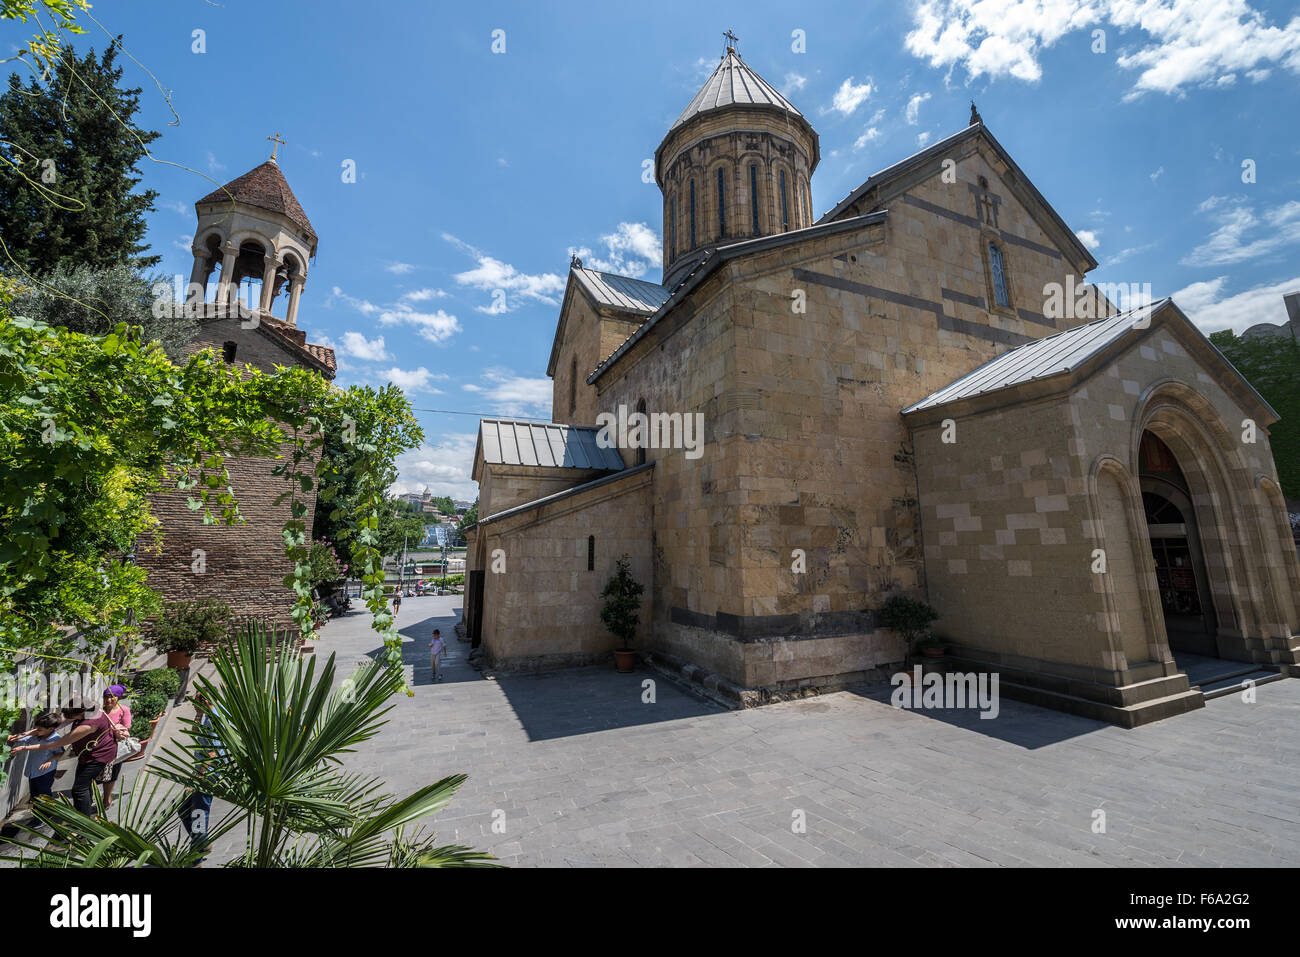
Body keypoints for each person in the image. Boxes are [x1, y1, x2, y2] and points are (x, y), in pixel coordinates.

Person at [11, 704, 117, 816]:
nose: (67, 718)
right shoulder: (86, 708)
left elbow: (56, 744)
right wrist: (24, 734)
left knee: (79, 790)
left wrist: (24, 748)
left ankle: (83, 823)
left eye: (71, 716)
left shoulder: (88, 725)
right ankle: (85, 807)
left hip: (98, 756)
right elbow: (55, 724)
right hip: (87, 755)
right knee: (83, 786)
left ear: (81, 713)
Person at [178, 689, 221, 859]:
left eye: (196, 700)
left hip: (208, 774)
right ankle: (202, 842)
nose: (193, 704)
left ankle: (197, 854)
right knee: (185, 809)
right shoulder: (206, 714)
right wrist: (198, 713)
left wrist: (198, 778)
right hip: (201, 771)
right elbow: (195, 733)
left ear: (204, 700)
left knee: (198, 813)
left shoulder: (213, 719)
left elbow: (212, 752)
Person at [6, 711, 66, 800]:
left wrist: (50, 760)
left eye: (39, 729)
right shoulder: (37, 735)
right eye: (36, 728)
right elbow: (24, 738)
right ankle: (37, 813)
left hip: (46, 772)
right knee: (34, 795)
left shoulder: (55, 739)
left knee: (44, 795)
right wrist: (12, 737)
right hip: (33, 771)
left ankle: (47, 813)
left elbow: (61, 753)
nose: (36, 731)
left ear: (51, 729)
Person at [99, 685, 132, 810]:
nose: (108, 700)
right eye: (106, 697)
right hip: (99, 748)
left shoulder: (124, 710)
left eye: (112, 697)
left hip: (114, 748)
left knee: (112, 775)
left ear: (118, 698)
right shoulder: (99, 711)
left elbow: (126, 730)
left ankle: (106, 797)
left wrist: (119, 732)